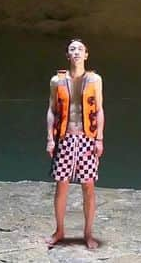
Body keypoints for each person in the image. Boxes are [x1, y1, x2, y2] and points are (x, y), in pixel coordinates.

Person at [46, 37, 104, 250]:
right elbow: (52, 110)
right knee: (61, 186)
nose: (77, 52)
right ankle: (59, 230)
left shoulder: (95, 80)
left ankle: (88, 234)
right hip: (65, 137)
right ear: (68, 55)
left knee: (88, 186)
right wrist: (50, 139)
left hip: (87, 137)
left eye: (80, 49)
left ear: (86, 54)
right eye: (72, 49)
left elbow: (99, 109)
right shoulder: (57, 81)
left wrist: (99, 138)